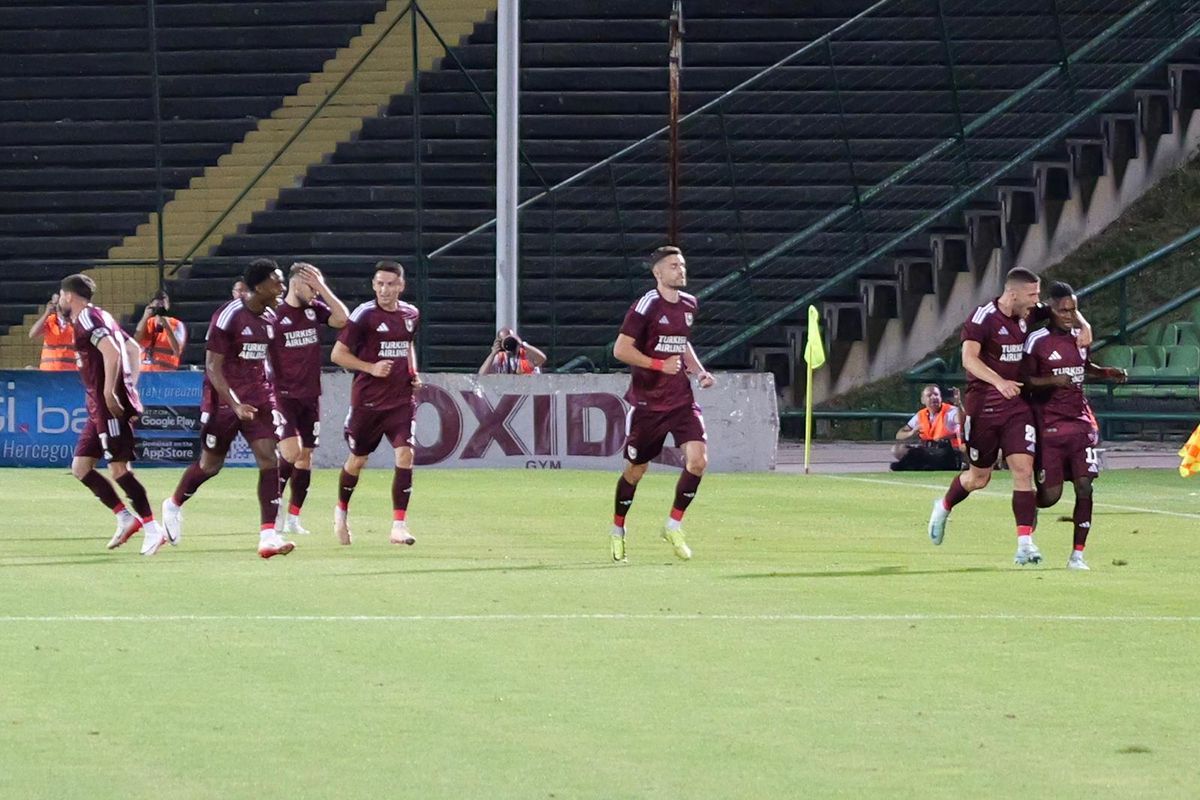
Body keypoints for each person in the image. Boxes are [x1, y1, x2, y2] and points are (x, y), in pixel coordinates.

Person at [926, 267, 1092, 565]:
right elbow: (968, 359)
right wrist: (998, 381)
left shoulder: (1027, 312)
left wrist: (1084, 324)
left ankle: (1025, 544)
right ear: (1013, 294)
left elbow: (1062, 308)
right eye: (1032, 294)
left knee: (1023, 471)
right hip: (984, 408)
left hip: (1017, 407)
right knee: (979, 478)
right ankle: (944, 505)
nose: (1037, 300)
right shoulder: (983, 318)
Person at [160, 259, 293, 559]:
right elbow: (212, 366)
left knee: (269, 458)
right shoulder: (229, 315)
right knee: (211, 466)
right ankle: (174, 504)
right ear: (259, 286)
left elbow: (267, 361)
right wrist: (234, 404)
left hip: (258, 398)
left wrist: (275, 395)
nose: (282, 287)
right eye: (277, 282)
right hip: (223, 401)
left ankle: (268, 536)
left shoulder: (270, 318)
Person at [609, 245, 715, 563]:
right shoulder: (646, 306)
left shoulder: (689, 304)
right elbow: (620, 350)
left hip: (681, 400)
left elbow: (681, 343)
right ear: (657, 272)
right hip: (648, 404)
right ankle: (618, 530)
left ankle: (673, 525)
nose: (680, 270)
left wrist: (698, 371)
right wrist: (658, 365)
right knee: (636, 470)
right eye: (673, 266)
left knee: (698, 461)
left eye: (682, 265)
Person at [57, 274, 169, 555]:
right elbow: (132, 348)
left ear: (69, 296)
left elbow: (113, 352)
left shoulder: (86, 318)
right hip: (98, 407)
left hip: (107, 405)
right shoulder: (101, 315)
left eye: (60, 295)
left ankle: (153, 529)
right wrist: (130, 388)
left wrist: (111, 392)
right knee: (80, 468)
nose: (59, 301)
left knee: (119, 469)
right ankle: (125, 518)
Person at [1023, 282, 1126, 570]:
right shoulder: (1037, 341)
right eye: (1063, 310)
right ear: (1051, 310)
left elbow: (1083, 365)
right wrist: (1052, 381)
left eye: (1073, 310)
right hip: (1050, 425)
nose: (1069, 316)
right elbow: (1026, 380)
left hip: (1080, 422)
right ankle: (1028, 512)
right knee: (1050, 497)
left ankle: (1077, 555)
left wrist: (1105, 372)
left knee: (1085, 486)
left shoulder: (1079, 338)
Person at [330, 260, 422, 546]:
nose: (384, 289)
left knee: (405, 455)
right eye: (380, 284)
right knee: (358, 460)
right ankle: (341, 512)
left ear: (401, 285)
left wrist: (413, 371)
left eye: (390, 284)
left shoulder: (411, 313)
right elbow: (337, 354)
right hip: (368, 403)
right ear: (373, 285)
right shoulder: (364, 315)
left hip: (401, 401)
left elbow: (407, 344)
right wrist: (370, 367)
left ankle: (398, 527)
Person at [270, 262, 349, 535]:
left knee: (305, 457)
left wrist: (322, 288)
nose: (315, 292)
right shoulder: (275, 315)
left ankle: (294, 517)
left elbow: (343, 319)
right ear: (295, 284)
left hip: (310, 394)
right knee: (291, 453)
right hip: (283, 395)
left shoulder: (314, 310)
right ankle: (274, 508)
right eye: (311, 286)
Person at [891, 385, 963, 471]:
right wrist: (911, 433)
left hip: (947, 451)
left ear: (940, 397)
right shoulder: (920, 415)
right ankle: (922, 465)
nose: (933, 397)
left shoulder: (950, 411)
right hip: (927, 450)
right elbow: (899, 435)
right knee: (897, 449)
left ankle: (916, 465)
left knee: (925, 455)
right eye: (929, 395)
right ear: (923, 400)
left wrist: (959, 404)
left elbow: (961, 419)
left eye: (936, 394)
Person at [134, 290, 187, 371]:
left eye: (163, 301)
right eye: (157, 301)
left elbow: (177, 351)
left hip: (166, 373)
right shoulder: (146, 323)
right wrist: (145, 317)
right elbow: (136, 340)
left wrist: (167, 328)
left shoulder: (176, 324)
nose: (160, 305)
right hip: (145, 373)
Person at [29, 292, 78, 371]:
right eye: (56, 303)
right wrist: (46, 313)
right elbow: (32, 334)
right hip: (48, 372)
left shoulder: (76, 322)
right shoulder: (49, 321)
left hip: (69, 372)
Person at [478, 328, 547, 374]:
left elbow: (542, 359)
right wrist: (493, 354)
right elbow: (481, 376)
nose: (509, 344)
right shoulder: (500, 358)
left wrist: (522, 344)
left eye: (511, 340)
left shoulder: (526, 353)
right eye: (505, 341)